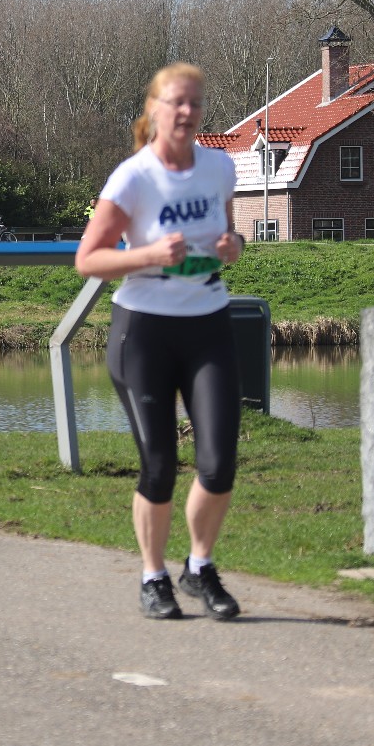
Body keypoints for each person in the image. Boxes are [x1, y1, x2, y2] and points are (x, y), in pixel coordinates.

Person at [75, 63, 246, 622]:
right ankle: (153, 578)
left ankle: (199, 567)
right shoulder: (133, 178)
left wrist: (233, 245)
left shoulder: (219, 167)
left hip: (208, 323)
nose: (187, 112)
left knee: (218, 463)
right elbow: (88, 259)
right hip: (144, 330)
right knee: (159, 464)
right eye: (176, 102)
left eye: (195, 102)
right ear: (154, 110)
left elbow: (228, 233)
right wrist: (148, 254)